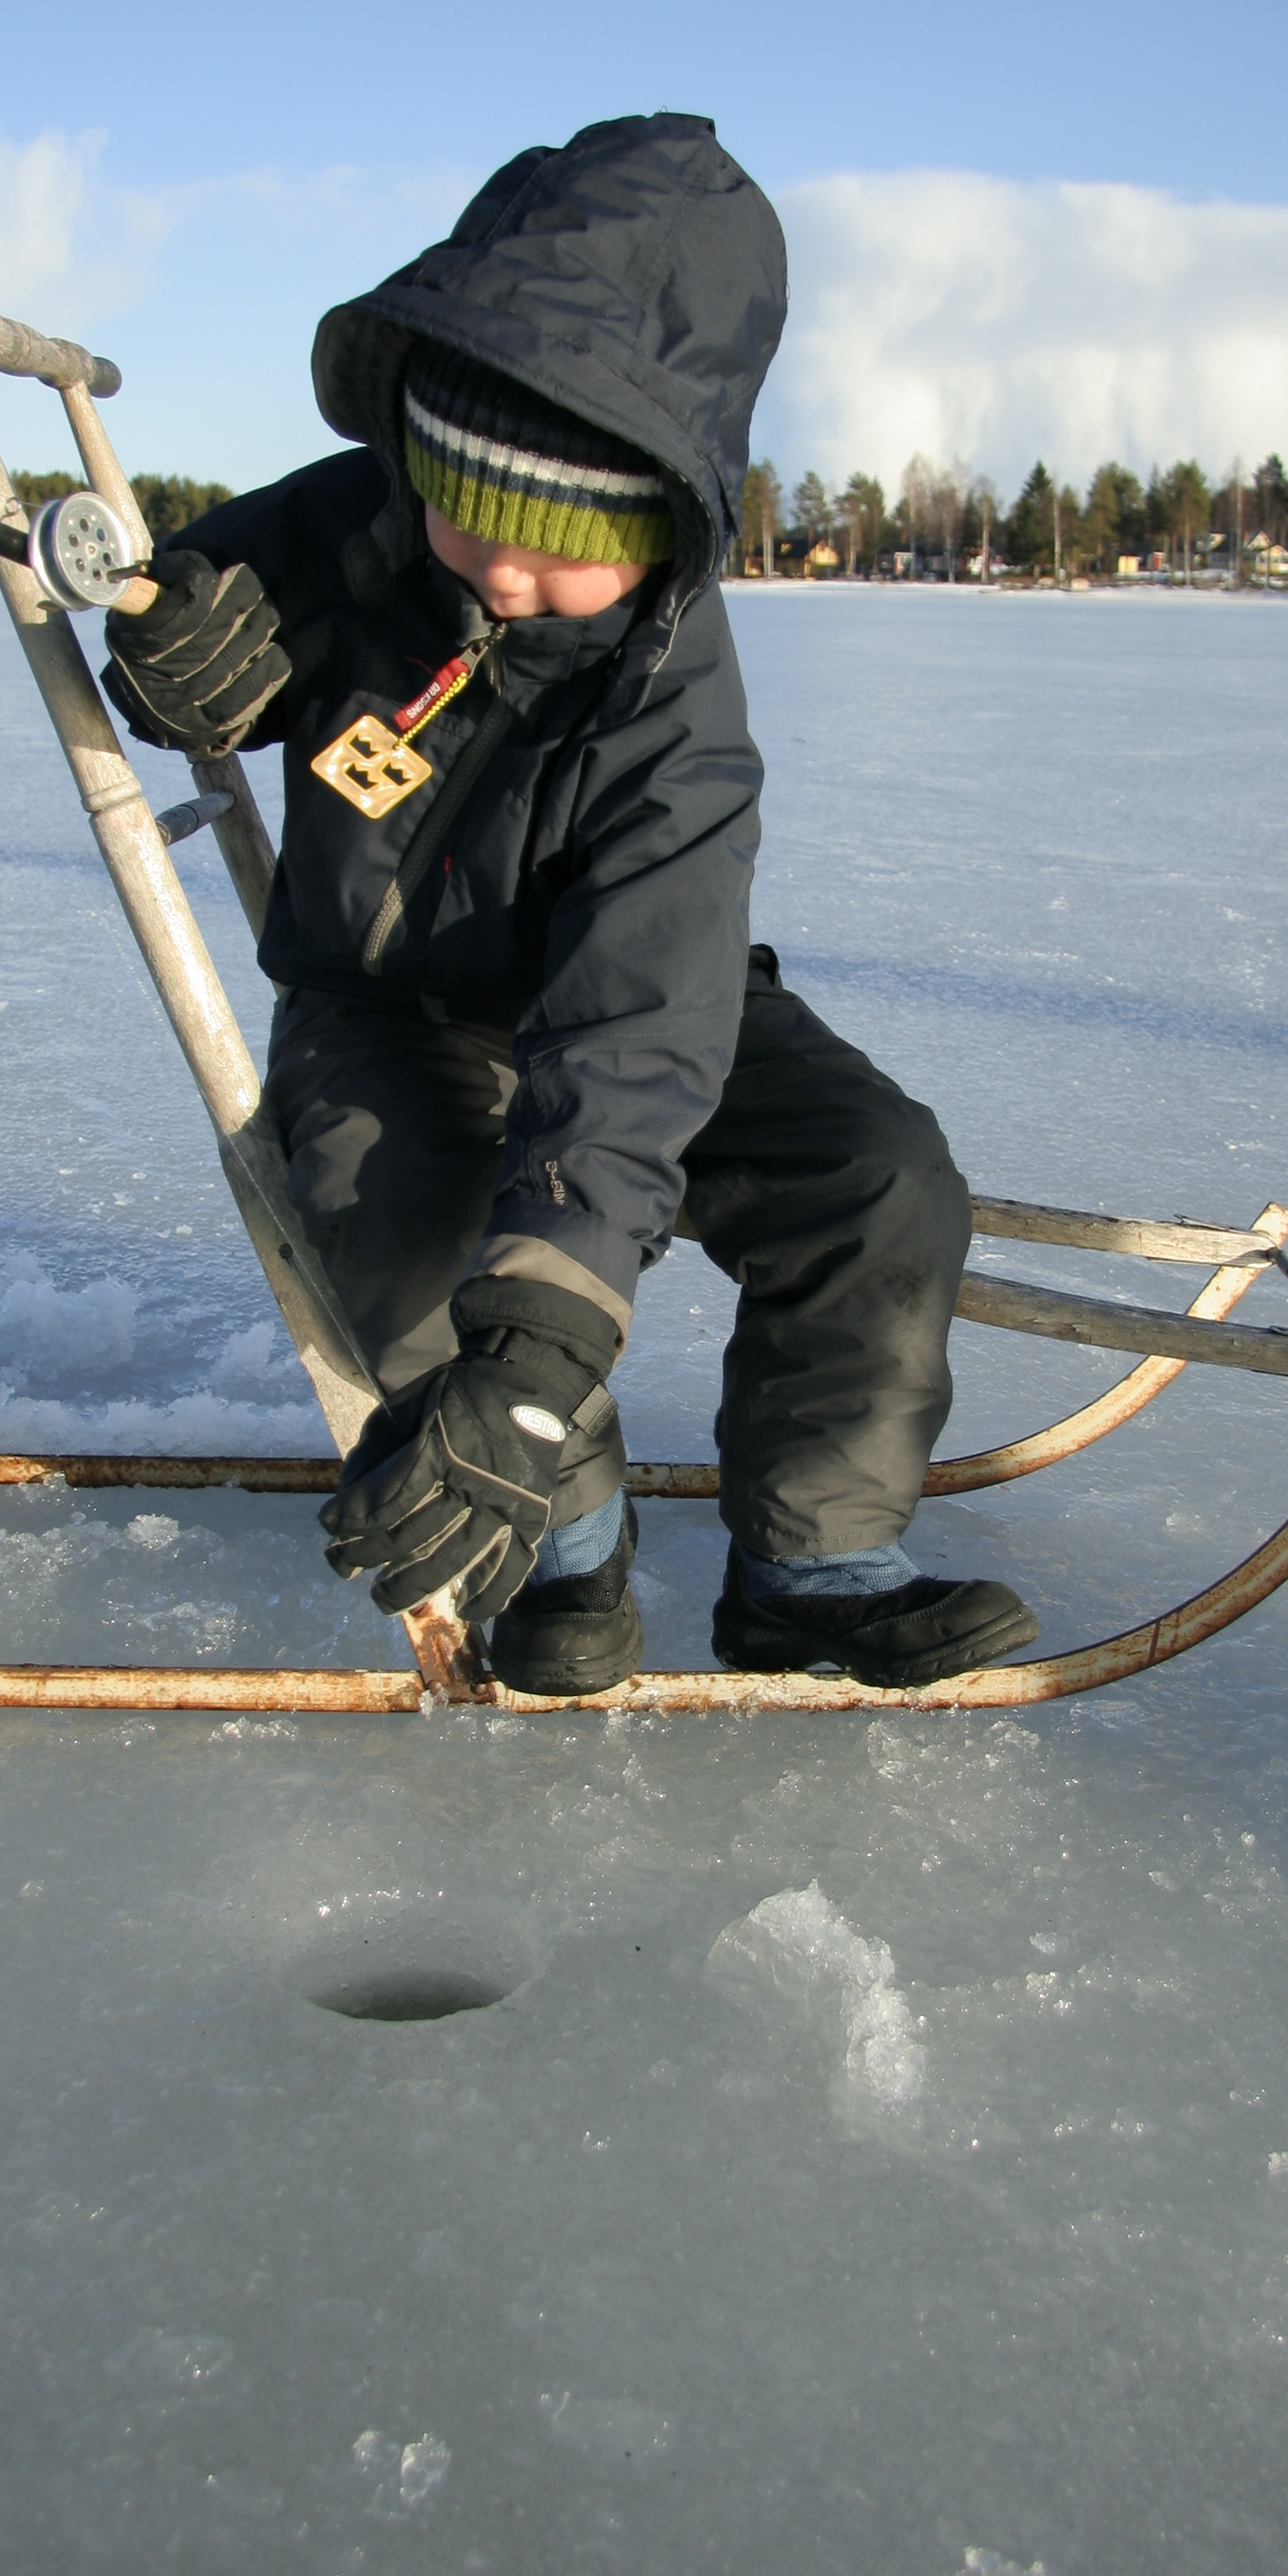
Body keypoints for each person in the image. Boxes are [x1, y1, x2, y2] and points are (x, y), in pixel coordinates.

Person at [101, 111, 1036, 1696]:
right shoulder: (352, 520)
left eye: (564, 549)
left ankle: (816, 1569)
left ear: (658, 523)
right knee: (403, 1241)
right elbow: (206, 610)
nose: (501, 579)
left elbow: (640, 1024)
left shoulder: (677, 710)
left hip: (637, 999)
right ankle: (567, 1557)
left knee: (879, 1182)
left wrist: (536, 1365)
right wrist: (176, 647)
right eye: (470, 513)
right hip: (383, 1005)